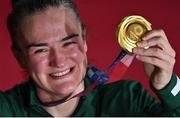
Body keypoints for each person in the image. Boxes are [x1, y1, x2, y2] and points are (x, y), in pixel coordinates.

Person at [0, 0, 179, 116]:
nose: (59, 61)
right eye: (41, 50)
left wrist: (168, 86)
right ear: (19, 57)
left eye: (68, 43)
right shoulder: (7, 109)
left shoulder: (128, 99)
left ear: (84, 39)